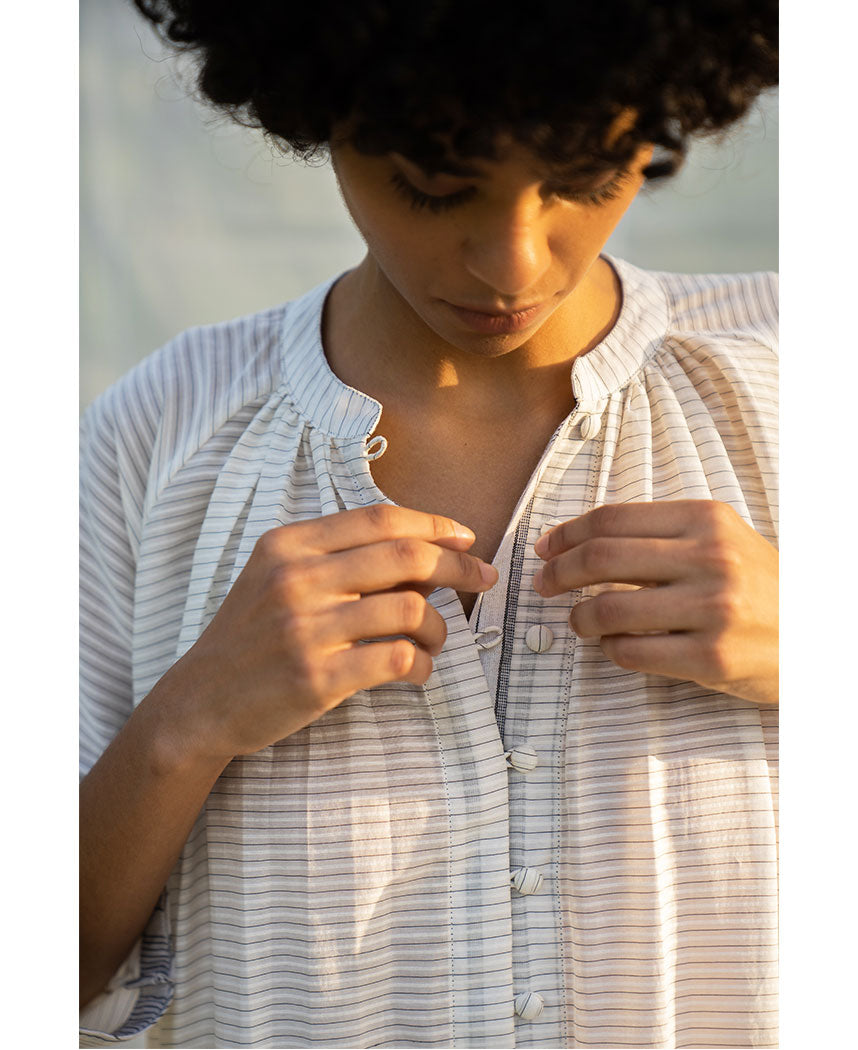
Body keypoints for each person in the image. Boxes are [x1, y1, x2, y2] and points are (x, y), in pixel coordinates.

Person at [79, 1, 779, 1046]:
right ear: (321, 111)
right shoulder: (157, 435)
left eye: (586, 175)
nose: (514, 264)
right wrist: (184, 727)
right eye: (435, 187)